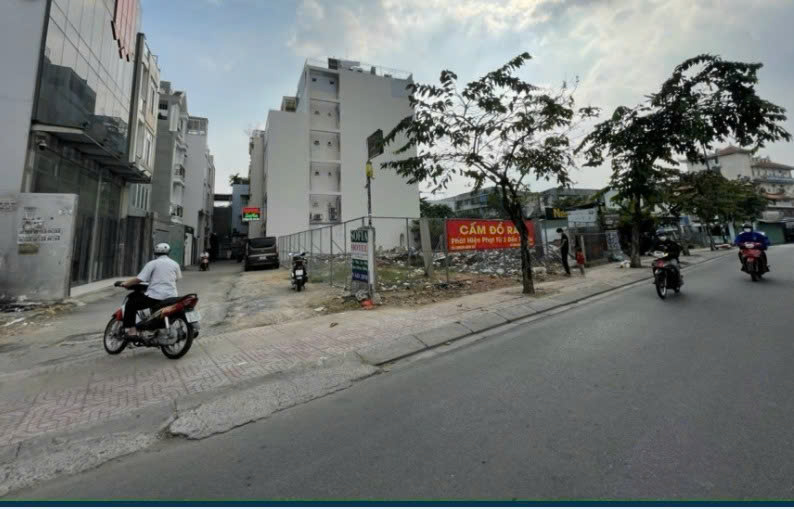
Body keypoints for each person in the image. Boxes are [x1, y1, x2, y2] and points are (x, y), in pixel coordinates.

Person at [116, 243, 182, 338]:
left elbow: (139, 279)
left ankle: (132, 331)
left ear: (155, 252)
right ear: (169, 252)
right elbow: (177, 278)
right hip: (172, 296)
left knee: (131, 304)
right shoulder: (175, 264)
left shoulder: (152, 263)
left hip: (156, 297)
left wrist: (126, 283)